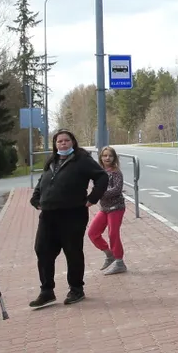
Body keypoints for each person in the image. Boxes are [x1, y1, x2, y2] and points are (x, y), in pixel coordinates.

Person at [29, 129, 108, 308]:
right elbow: (42, 182)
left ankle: (76, 289)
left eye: (66, 141)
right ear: (55, 145)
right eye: (59, 141)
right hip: (48, 215)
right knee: (42, 250)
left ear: (73, 142)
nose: (63, 144)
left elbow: (102, 177)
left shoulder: (82, 160)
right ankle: (46, 291)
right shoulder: (52, 161)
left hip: (72, 214)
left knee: (72, 252)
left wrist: (92, 199)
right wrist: (35, 200)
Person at [88, 146, 128, 275]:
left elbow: (116, 189)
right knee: (93, 232)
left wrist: (98, 193)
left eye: (110, 155)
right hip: (104, 208)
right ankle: (109, 254)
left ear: (114, 158)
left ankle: (120, 262)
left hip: (116, 207)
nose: (107, 158)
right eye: (105, 155)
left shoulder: (116, 172)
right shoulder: (99, 172)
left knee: (113, 233)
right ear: (101, 157)